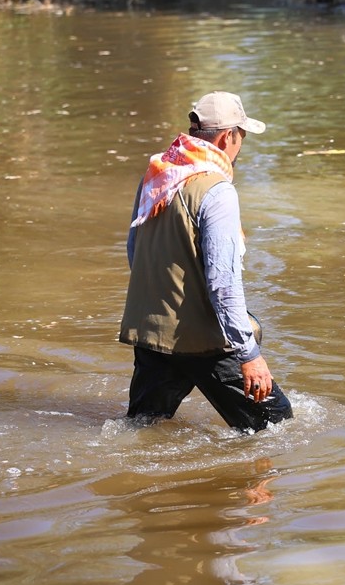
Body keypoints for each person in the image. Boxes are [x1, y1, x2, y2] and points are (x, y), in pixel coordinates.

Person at [119, 91, 292, 432]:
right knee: (278, 429)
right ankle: (257, 485)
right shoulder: (218, 191)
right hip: (205, 342)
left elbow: (135, 251)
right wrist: (249, 355)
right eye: (241, 136)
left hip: (152, 334)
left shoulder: (157, 174)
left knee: (141, 430)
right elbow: (223, 283)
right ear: (229, 136)